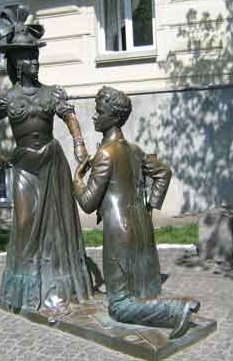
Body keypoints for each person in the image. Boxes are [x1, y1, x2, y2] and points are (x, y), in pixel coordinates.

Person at [0, 6, 92, 313]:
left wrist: (79, 145)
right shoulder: (7, 98)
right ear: (16, 63)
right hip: (24, 166)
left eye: (35, 55)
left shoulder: (52, 93)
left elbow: (69, 117)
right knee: (26, 221)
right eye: (27, 57)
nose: (34, 62)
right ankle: (27, 289)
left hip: (52, 162)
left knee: (58, 225)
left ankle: (58, 284)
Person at [73, 86, 199, 339]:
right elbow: (164, 173)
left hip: (119, 232)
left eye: (99, 112)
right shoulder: (134, 150)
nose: (95, 117)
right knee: (143, 291)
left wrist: (76, 177)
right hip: (141, 226)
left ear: (114, 117)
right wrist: (150, 205)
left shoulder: (105, 154)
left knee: (119, 306)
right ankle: (168, 308)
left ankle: (177, 309)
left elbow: (87, 203)